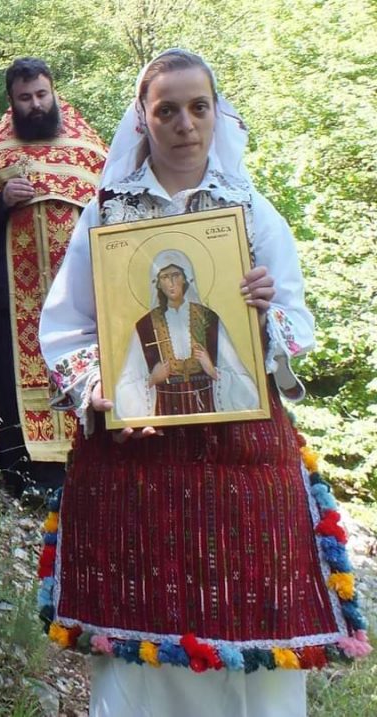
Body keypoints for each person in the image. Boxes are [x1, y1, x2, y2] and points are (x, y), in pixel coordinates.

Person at [37, 48, 370, 717]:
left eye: (198, 107)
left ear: (217, 114)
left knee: (254, 607)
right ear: (143, 117)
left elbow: (298, 323)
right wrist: (97, 384)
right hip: (139, 451)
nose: (185, 123)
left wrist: (267, 308)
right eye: (168, 109)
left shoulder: (252, 211)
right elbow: (66, 325)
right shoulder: (105, 215)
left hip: (242, 453)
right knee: (143, 618)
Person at [0, 57, 106, 499]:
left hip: (77, 295)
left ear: (54, 91)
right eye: (25, 98)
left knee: (73, 371)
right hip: (11, 293)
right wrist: (0, 202)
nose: (36, 105)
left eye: (42, 94)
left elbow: (115, 205)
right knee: (11, 378)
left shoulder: (89, 147)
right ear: (11, 102)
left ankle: (75, 473)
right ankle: (17, 471)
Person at [114, 248, 259, 418]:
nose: (171, 282)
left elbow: (245, 386)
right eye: (164, 277)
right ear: (158, 283)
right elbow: (125, 387)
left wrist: (212, 371)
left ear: (185, 278)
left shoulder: (208, 319)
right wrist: (152, 379)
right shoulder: (145, 326)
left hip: (209, 409)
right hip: (164, 412)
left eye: (175, 275)